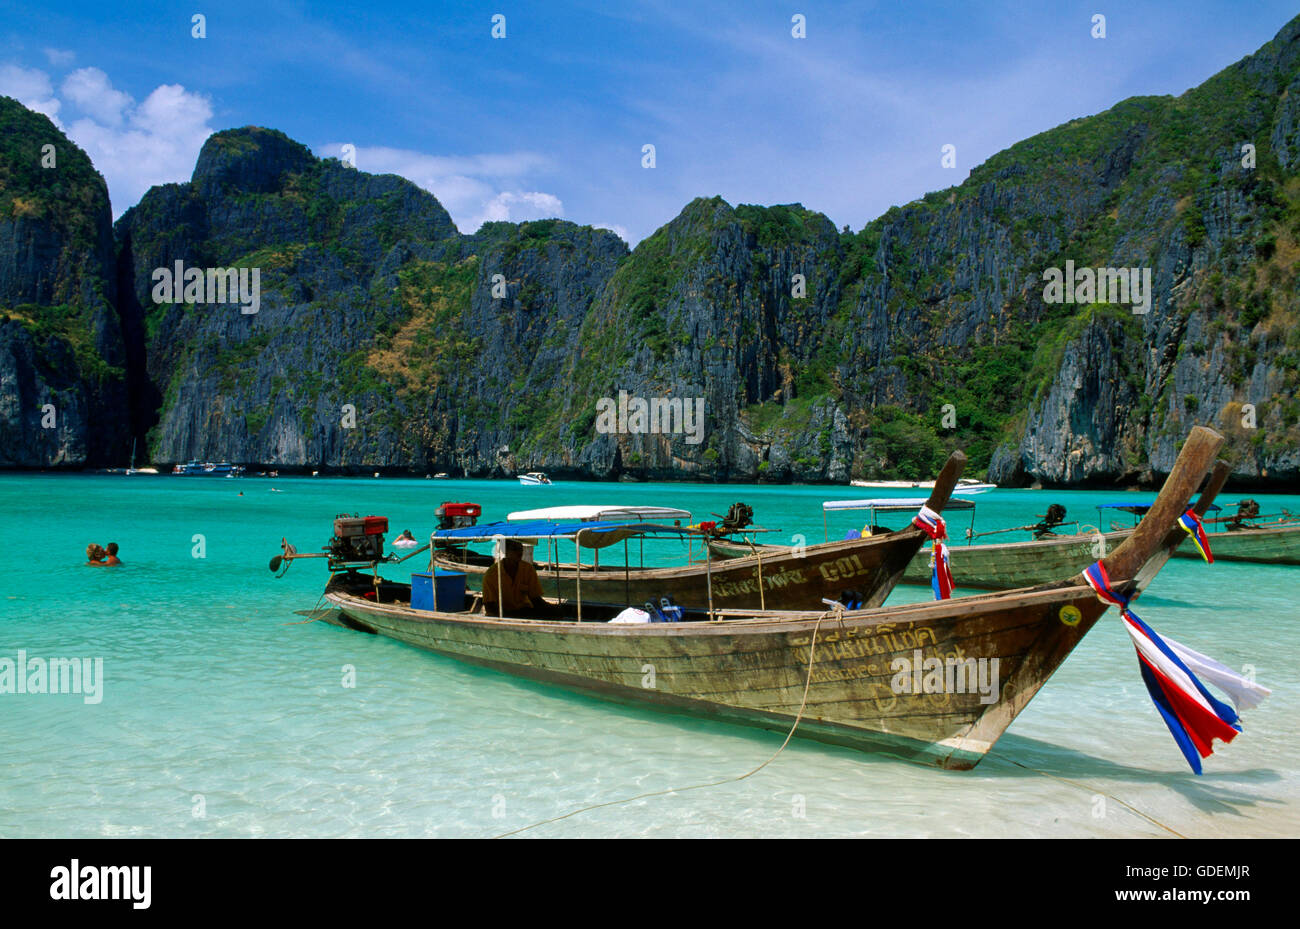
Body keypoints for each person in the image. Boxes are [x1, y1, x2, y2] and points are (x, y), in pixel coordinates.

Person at [482, 540, 547, 616]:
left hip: (525, 611)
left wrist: (551, 608)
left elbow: (535, 599)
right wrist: (511, 615)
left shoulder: (528, 569)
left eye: (521, 548)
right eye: (515, 549)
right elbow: (489, 606)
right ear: (505, 551)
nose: (519, 552)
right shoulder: (491, 574)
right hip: (501, 614)